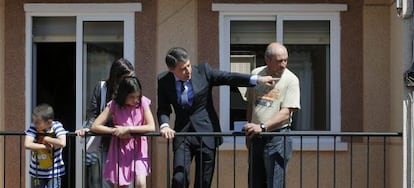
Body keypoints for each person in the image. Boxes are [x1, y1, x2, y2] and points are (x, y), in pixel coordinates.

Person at [157, 47, 277, 188]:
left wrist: (258, 79)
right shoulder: (164, 80)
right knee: (179, 179)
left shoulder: (203, 71)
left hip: (207, 134)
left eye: (188, 65)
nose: (188, 71)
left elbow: (228, 77)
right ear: (172, 70)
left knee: (204, 183)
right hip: (183, 135)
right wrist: (164, 125)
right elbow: (163, 108)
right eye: (182, 69)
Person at [243, 42, 300, 188]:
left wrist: (262, 127)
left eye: (286, 60)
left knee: (275, 183)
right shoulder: (256, 74)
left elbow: (286, 112)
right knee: (255, 182)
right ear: (267, 60)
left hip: (278, 138)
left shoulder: (291, 79)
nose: (283, 64)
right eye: (279, 61)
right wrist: (249, 133)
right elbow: (251, 104)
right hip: (255, 137)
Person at [75, 58, 135, 188]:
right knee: (108, 182)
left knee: (125, 182)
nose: (130, 81)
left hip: (126, 142)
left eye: (131, 77)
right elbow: (93, 114)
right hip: (107, 142)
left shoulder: (131, 90)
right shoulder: (102, 88)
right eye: (126, 77)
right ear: (116, 77)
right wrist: (88, 128)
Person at [91, 76, 155, 188]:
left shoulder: (143, 102)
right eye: (131, 97)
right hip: (120, 147)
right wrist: (115, 130)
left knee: (141, 182)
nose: (136, 100)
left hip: (138, 146)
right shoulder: (114, 104)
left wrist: (128, 129)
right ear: (124, 95)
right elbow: (95, 126)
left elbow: (151, 126)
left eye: (137, 96)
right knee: (121, 184)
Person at [24, 103, 67, 188]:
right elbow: (27, 144)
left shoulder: (56, 126)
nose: (35, 124)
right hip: (37, 172)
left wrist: (47, 139)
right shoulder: (33, 127)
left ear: (49, 122)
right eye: (34, 121)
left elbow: (62, 143)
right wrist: (44, 146)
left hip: (54, 172)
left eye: (38, 122)